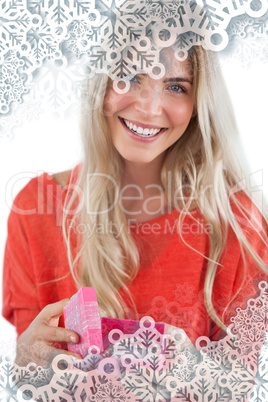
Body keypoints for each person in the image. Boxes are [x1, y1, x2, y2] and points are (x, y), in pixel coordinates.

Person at [2, 45, 268, 368]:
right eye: (129, 76)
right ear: (100, 84)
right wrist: (25, 365)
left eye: (175, 87)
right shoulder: (35, 211)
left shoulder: (236, 221)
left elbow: (243, 386)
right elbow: (32, 377)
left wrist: (195, 372)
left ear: (197, 102)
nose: (149, 107)